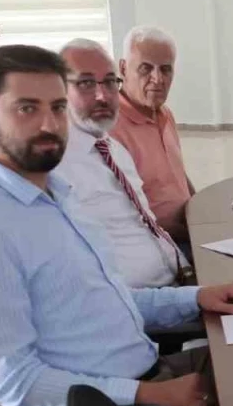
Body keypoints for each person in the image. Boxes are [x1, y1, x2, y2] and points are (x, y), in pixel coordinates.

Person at [0, 44, 233, 406]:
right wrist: (150, 395)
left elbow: (107, 298)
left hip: (146, 377)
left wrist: (195, 297)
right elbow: (15, 381)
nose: (49, 124)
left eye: (58, 107)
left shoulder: (56, 194)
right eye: (27, 108)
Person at [53, 39, 191, 288]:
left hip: (178, 274)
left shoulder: (112, 149)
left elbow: (145, 223)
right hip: (144, 298)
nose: (102, 96)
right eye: (86, 83)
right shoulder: (54, 169)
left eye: (109, 82)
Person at [109, 26, 194, 242]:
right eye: (146, 68)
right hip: (157, 242)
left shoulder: (165, 114)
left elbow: (178, 176)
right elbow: (121, 212)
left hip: (189, 231)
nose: (157, 79)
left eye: (165, 69)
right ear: (123, 68)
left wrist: (201, 211)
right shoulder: (111, 128)